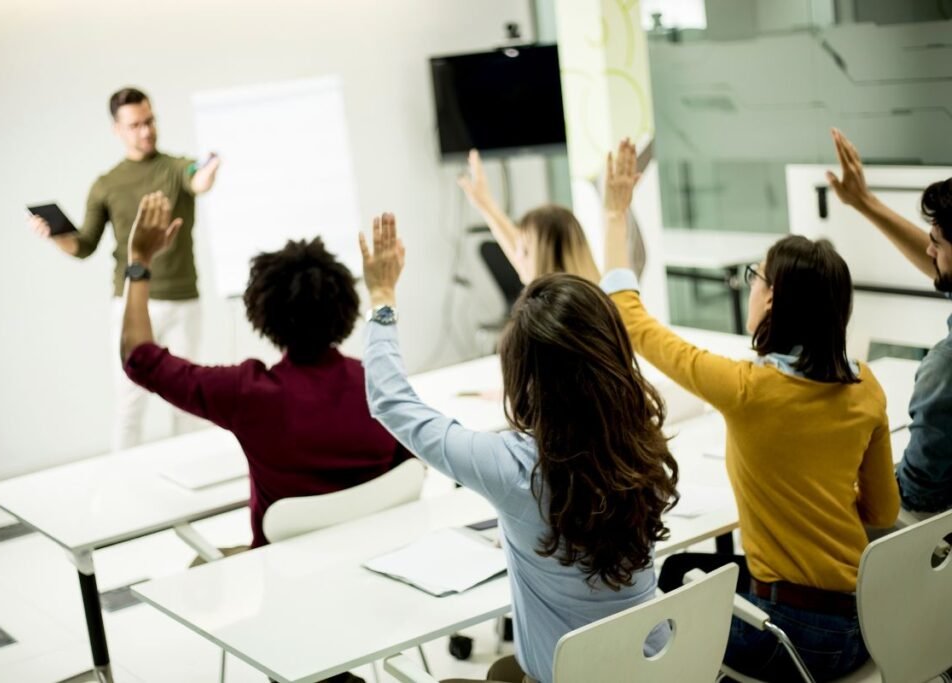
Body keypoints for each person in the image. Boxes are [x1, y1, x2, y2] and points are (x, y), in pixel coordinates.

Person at [601, 139, 900, 681]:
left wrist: (614, 214)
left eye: (755, 278)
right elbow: (881, 513)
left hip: (790, 640)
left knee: (667, 590)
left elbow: (633, 321)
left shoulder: (747, 389)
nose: (751, 288)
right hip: (866, 624)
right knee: (692, 570)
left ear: (775, 299)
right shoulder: (866, 385)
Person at [359, 213, 678, 683]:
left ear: (524, 377)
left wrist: (382, 299)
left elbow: (391, 401)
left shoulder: (514, 469)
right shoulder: (643, 441)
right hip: (655, 670)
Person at [120, 192, 409, 556]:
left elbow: (139, 358)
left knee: (200, 566)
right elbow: (408, 471)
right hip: (376, 566)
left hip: (283, 576)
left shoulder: (249, 393)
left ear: (263, 314)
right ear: (347, 306)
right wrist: (384, 291)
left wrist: (139, 261)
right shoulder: (381, 383)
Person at [28, 87, 221, 450]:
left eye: (150, 121)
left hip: (182, 303)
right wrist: (53, 234)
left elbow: (198, 179)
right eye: (135, 125)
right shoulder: (106, 185)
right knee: (129, 401)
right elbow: (83, 246)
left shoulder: (176, 167)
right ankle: (123, 478)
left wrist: (209, 168)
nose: (146, 131)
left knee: (187, 403)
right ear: (117, 129)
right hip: (132, 303)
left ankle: (187, 472)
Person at [827, 128, 952, 517]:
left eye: (938, 242)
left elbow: (917, 492)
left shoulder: (944, 368)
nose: (929, 250)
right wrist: (864, 202)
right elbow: (937, 263)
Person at [457, 149, 600, 283]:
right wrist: (485, 205)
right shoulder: (594, 295)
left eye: (525, 252)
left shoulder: (549, 307)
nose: (516, 257)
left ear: (550, 264)